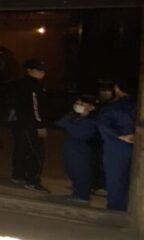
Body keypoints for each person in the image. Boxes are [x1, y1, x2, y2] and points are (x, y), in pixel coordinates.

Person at [8, 59, 48, 192]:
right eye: (38, 70)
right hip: (29, 124)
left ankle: (18, 175)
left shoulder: (18, 84)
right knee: (36, 152)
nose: (42, 72)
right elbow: (34, 106)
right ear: (29, 70)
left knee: (20, 149)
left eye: (43, 70)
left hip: (18, 123)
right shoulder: (32, 86)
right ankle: (32, 181)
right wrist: (39, 125)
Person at [96, 81, 136, 212]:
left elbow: (103, 125)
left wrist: (119, 136)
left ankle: (116, 210)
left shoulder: (112, 107)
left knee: (116, 179)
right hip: (137, 144)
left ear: (117, 88)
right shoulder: (137, 105)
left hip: (117, 145)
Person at [56, 96, 98, 204]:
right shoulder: (75, 117)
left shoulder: (91, 121)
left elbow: (80, 134)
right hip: (70, 146)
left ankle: (82, 195)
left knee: (80, 171)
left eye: (82, 104)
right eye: (77, 103)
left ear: (91, 107)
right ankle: (76, 193)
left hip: (80, 148)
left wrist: (69, 124)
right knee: (71, 170)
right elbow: (60, 123)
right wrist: (70, 116)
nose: (78, 106)